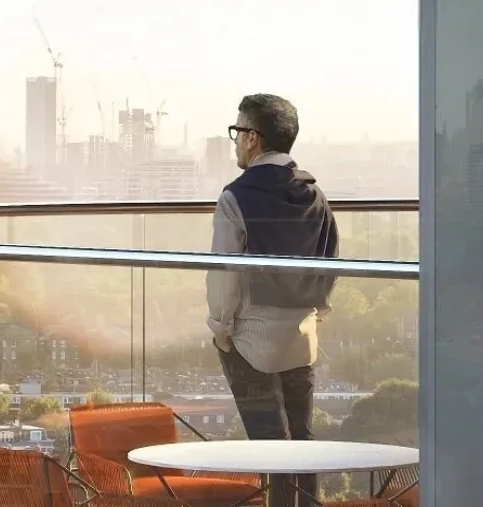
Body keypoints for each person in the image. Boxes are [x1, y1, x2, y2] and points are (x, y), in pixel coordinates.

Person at [209, 93, 337, 507]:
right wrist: (316, 310)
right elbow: (331, 258)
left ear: (253, 138)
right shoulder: (314, 194)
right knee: (302, 441)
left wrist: (221, 331)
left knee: (270, 446)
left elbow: (224, 275)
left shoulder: (236, 197)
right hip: (303, 336)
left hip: (252, 339)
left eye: (237, 131)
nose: (234, 141)